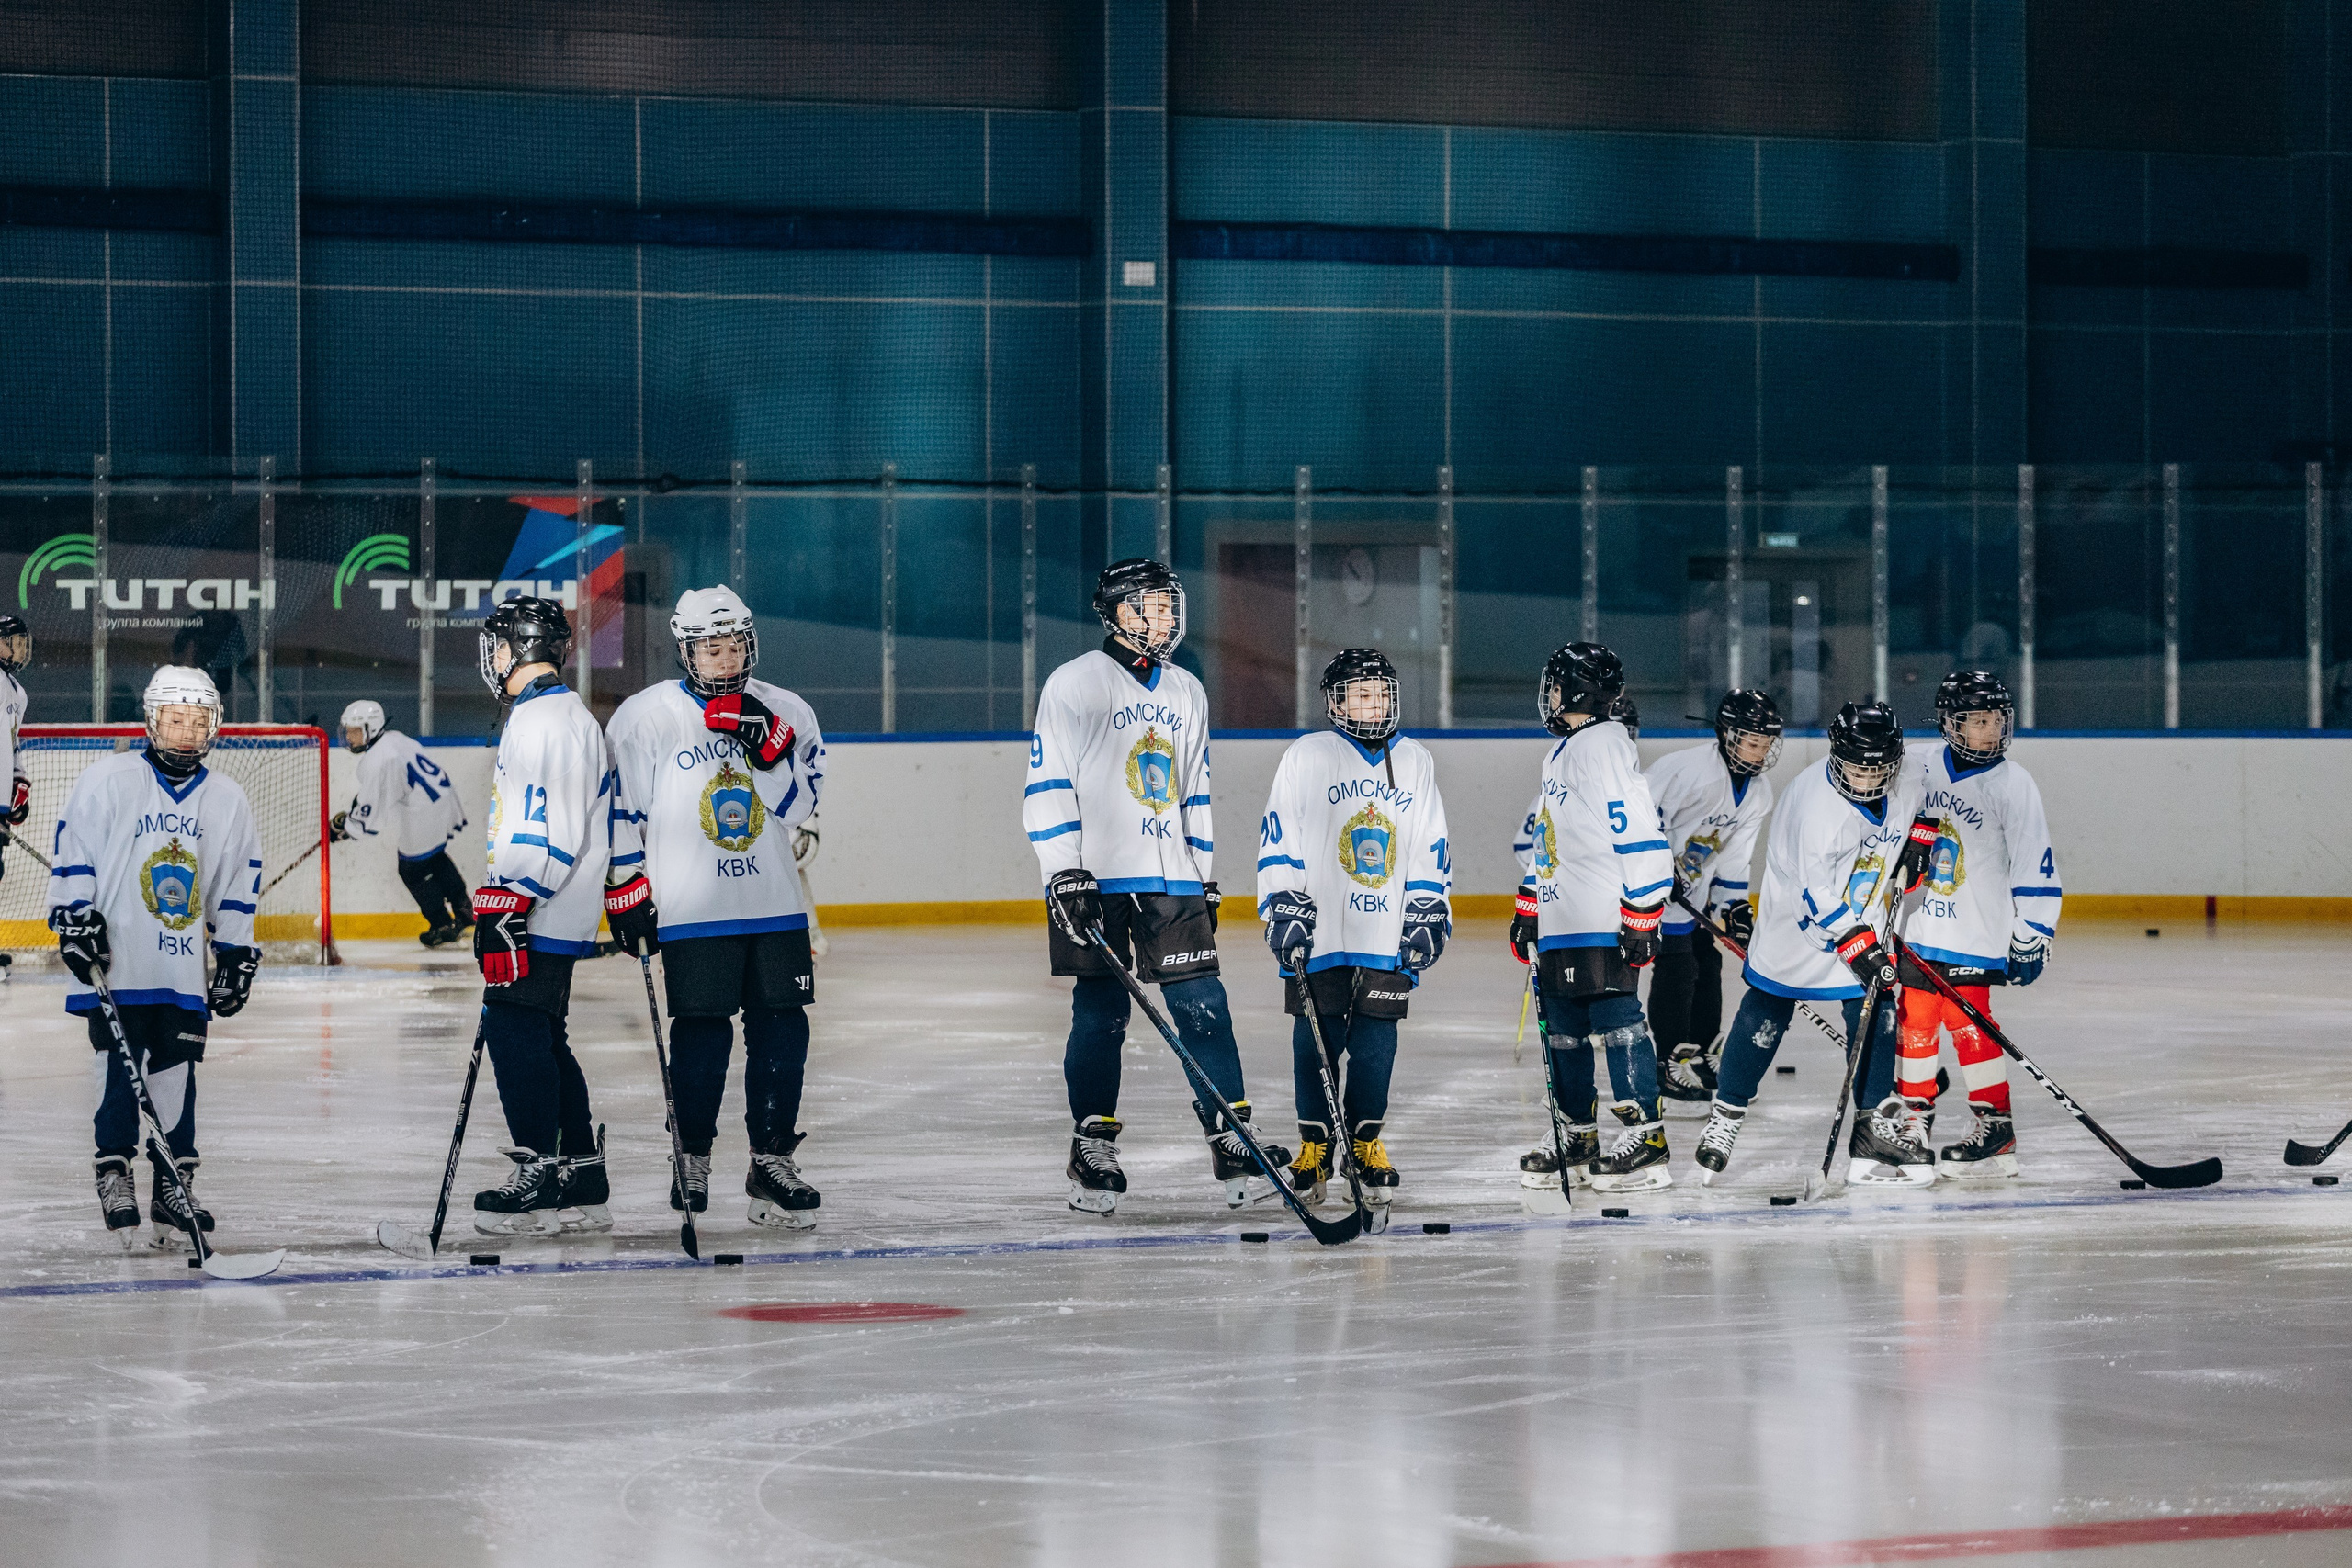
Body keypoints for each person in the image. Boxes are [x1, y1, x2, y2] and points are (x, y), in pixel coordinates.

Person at [1023, 558, 1288, 1213]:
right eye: (1148, 606)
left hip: (1171, 878)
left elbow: (1192, 791)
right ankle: (1092, 1145)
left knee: (1204, 1005)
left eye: (1169, 606)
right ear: (1113, 612)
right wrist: (1063, 871)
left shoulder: (1186, 691)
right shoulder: (1074, 683)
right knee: (1102, 1015)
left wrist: (1203, 875)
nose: (1163, 618)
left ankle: (1232, 1140)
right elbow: (1046, 782)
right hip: (1097, 879)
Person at [607, 586, 829, 1229]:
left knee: (784, 1033)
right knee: (701, 1037)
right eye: (711, 647)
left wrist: (768, 751)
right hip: (691, 909)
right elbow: (621, 810)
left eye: (734, 645)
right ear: (687, 650)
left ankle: (771, 1161)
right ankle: (693, 1157)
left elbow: (802, 807)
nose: (725, 659)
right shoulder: (646, 717)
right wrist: (625, 887)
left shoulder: (787, 711)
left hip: (775, 906)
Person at [47, 666, 262, 1247]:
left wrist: (237, 951)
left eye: (197, 721)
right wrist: (72, 914)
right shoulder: (108, 780)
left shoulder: (227, 798)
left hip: (181, 962)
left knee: (175, 1070)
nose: (187, 733)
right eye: (175, 720)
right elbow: (76, 851)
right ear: (152, 720)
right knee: (116, 1067)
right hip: (118, 960)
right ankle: (113, 1168)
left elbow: (237, 878)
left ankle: (173, 1183)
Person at [1692, 701, 1937, 1187]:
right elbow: (1817, 894)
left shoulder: (1907, 773)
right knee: (1764, 1013)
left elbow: (1927, 796)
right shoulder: (1817, 807)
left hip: (1863, 912)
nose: (1866, 779)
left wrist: (1920, 838)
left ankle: (1871, 1131)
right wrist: (1858, 946)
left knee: (1876, 1014)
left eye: (1877, 770)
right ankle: (1726, 1116)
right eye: (1855, 768)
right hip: (1798, 923)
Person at [1256, 648, 1451, 1207]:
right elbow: (1278, 836)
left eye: (1382, 692)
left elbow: (1428, 843)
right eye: (1362, 693)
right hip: (1320, 932)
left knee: (1375, 1045)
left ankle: (1365, 1142)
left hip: (1385, 935)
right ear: (1336, 701)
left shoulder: (1414, 759)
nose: (1375, 703)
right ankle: (1314, 1147)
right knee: (1313, 1043)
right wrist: (1283, 905)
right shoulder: (1308, 755)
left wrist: (1428, 908)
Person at [469, 598, 619, 1236]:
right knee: (543, 1034)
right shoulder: (555, 714)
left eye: (497, 643)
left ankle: (539, 1162)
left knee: (514, 1029)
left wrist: (511, 900)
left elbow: (546, 822)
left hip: (541, 905)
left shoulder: (544, 722)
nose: (492, 656)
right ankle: (580, 1167)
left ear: (514, 648)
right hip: (555, 903)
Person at [1510, 643, 1676, 1193]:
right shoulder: (1564, 750)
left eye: (1557, 685)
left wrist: (1643, 909)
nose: (1549, 696)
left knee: (1617, 1020)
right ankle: (1577, 1135)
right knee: (1564, 1031)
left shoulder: (1603, 742)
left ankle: (1645, 1137)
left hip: (1603, 914)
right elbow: (1547, 842)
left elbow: (1639, 831)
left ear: (1577, 692)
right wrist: (1529, 905)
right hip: (1564, 918)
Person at [1894, 671, 2061, 1178]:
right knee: (1914, 1020)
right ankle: (1913, 1121)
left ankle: (1995, 1126)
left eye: (1997, 721)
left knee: (1970, 1024)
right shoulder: (1919, 766)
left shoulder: (2014, 783)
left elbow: (2036, 860)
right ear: (1949, 723)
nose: (1990, 731)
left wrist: (2033, 930)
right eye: (1977, 721)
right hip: (1919, 925)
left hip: (1977, 929)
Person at [1645, 690, 1781, 1111]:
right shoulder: (1685, 770)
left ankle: (1702, 1051)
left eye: (1766, 743)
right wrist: (1652, 867)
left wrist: (1734, 907)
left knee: (1708, 961)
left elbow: (1736, 855)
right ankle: (1668, 1059)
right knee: (1677, 966)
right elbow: (1640, 813)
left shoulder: (1758, 792)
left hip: (1692, 890)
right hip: (1652, 889)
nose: (1759, 752)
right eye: (1751, 741)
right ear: (1726, 734)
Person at [331, 699, 472, 946]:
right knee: (435, 856)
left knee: (412, 870)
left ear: (370, 729)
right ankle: (464, 910)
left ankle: (442, 924)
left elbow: (371, 810)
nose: (349, 737)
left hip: (423, 813)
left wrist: (348, 828)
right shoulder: (394, 738)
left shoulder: (376, 760)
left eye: (354, 731)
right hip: (443, 800)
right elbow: (387, 789)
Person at [0, 615, 30, 880]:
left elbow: (11, 741)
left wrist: (17, 781)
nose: (21, 650)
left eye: (23, 643)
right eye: (15, 643)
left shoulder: (17, 692)